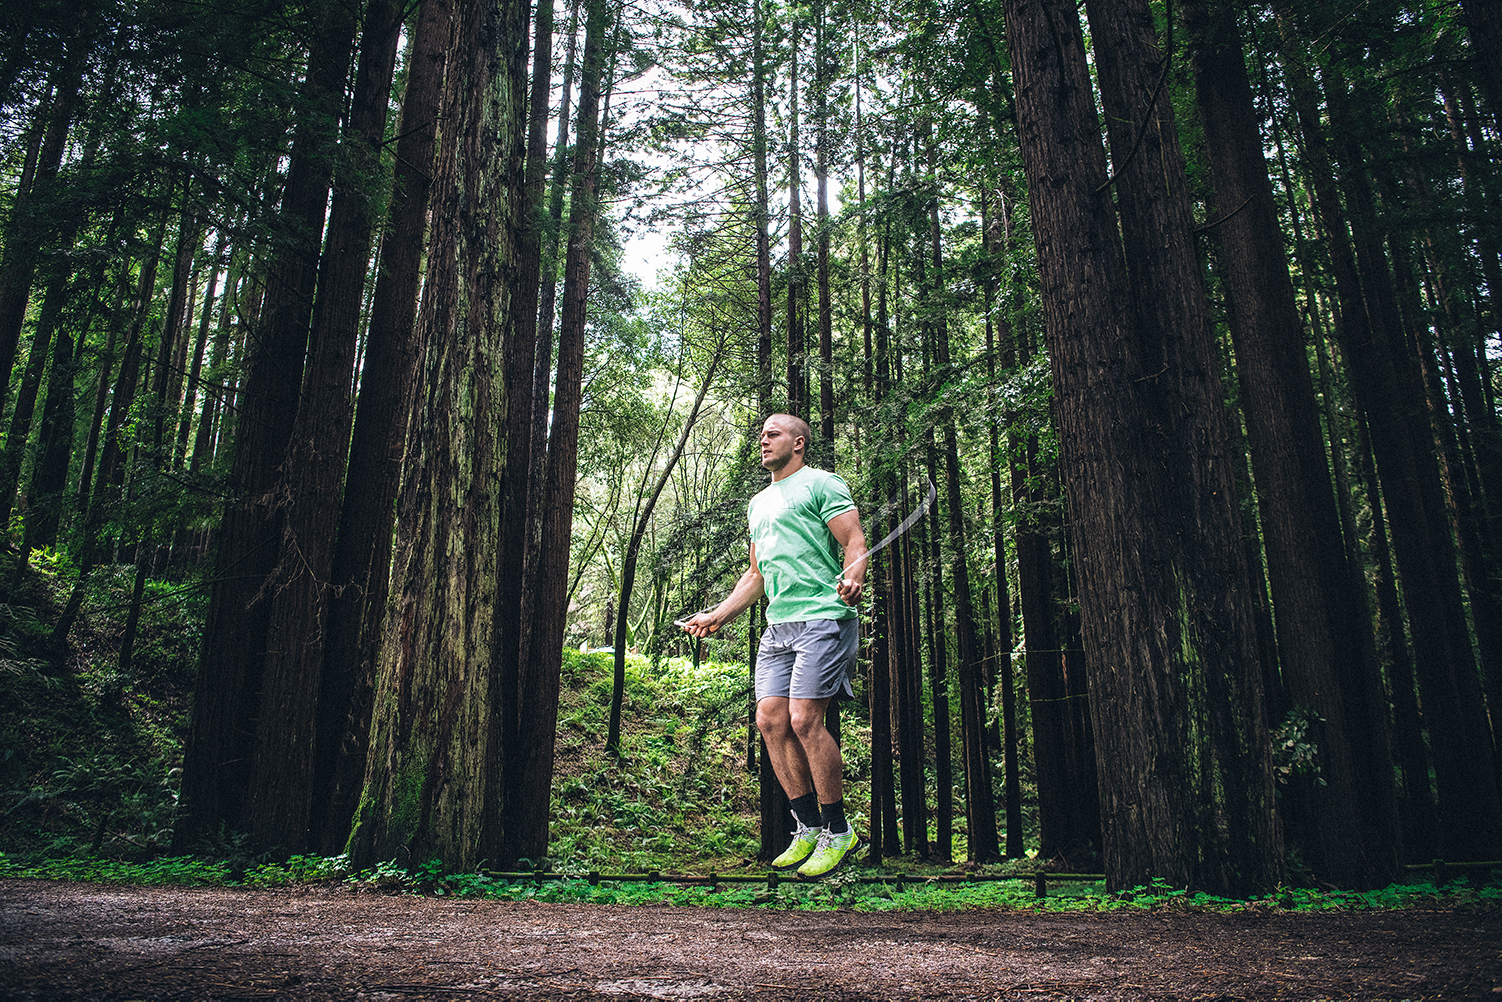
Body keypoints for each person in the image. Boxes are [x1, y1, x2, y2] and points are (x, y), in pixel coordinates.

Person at [682, 413, 868, 879]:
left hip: (823, 616)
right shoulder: (758, 503)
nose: (763, 440)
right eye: (761, 435)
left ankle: (838, 829)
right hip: (778, 625)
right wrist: (717, 615)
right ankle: (806, 825)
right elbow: (756, 574)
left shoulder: (822, 484)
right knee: (770, 719)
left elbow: (854, 540)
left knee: (805, 718)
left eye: (774, 434)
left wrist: (854, 575)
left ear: (799, 443)